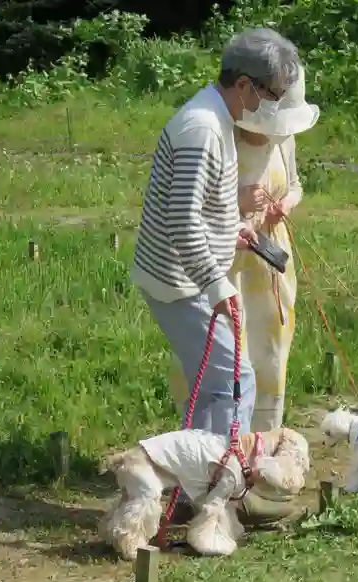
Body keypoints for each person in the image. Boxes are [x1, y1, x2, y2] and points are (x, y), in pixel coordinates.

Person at [131, 27, 303, 524]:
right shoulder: (203, 130)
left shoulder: (217, 117)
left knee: (218, 385)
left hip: (187, 271)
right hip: (178, 279)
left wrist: (234, 231)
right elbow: (181, 220)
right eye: (271, 95)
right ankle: (222, 493)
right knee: (234, 379)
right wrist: (217, 285)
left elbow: (204, 208)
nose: (272, 107)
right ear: (246, 86)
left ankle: (201, 488)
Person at [167, 65, 319, 526]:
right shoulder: (218, 132)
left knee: (269, 351)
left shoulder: (284, 137)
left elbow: (294, 185)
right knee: (229, 364)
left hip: (269, 259)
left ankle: (261, 461)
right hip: (223, 260)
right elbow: (199, 206)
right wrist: (241, 206)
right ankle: (210, 464)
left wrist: (283, 205)